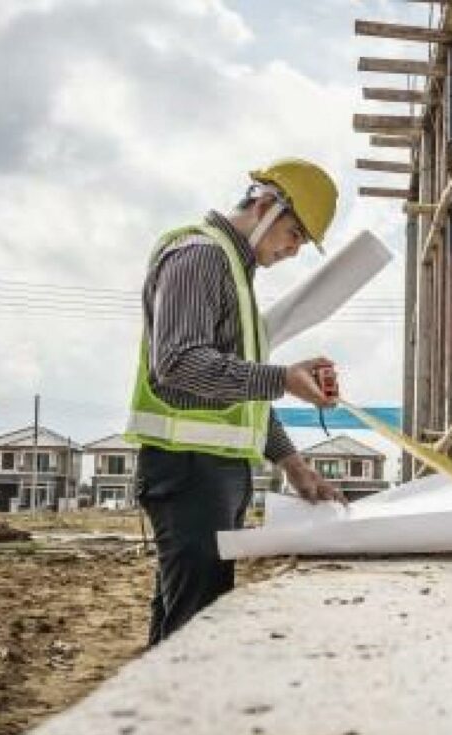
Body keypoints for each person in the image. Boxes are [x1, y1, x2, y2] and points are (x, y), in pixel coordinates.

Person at [125, 158, 344, 645]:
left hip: (212, 473)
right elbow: (178, 363)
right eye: (293, 234)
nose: (292, 251)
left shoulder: (235, 273)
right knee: (196, 624)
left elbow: (241, 393)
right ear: (265, 206)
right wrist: (282, 378)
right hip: (187, 472)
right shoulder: (200, 256)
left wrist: (292, 463)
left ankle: (164, 713)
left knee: (188, 612)